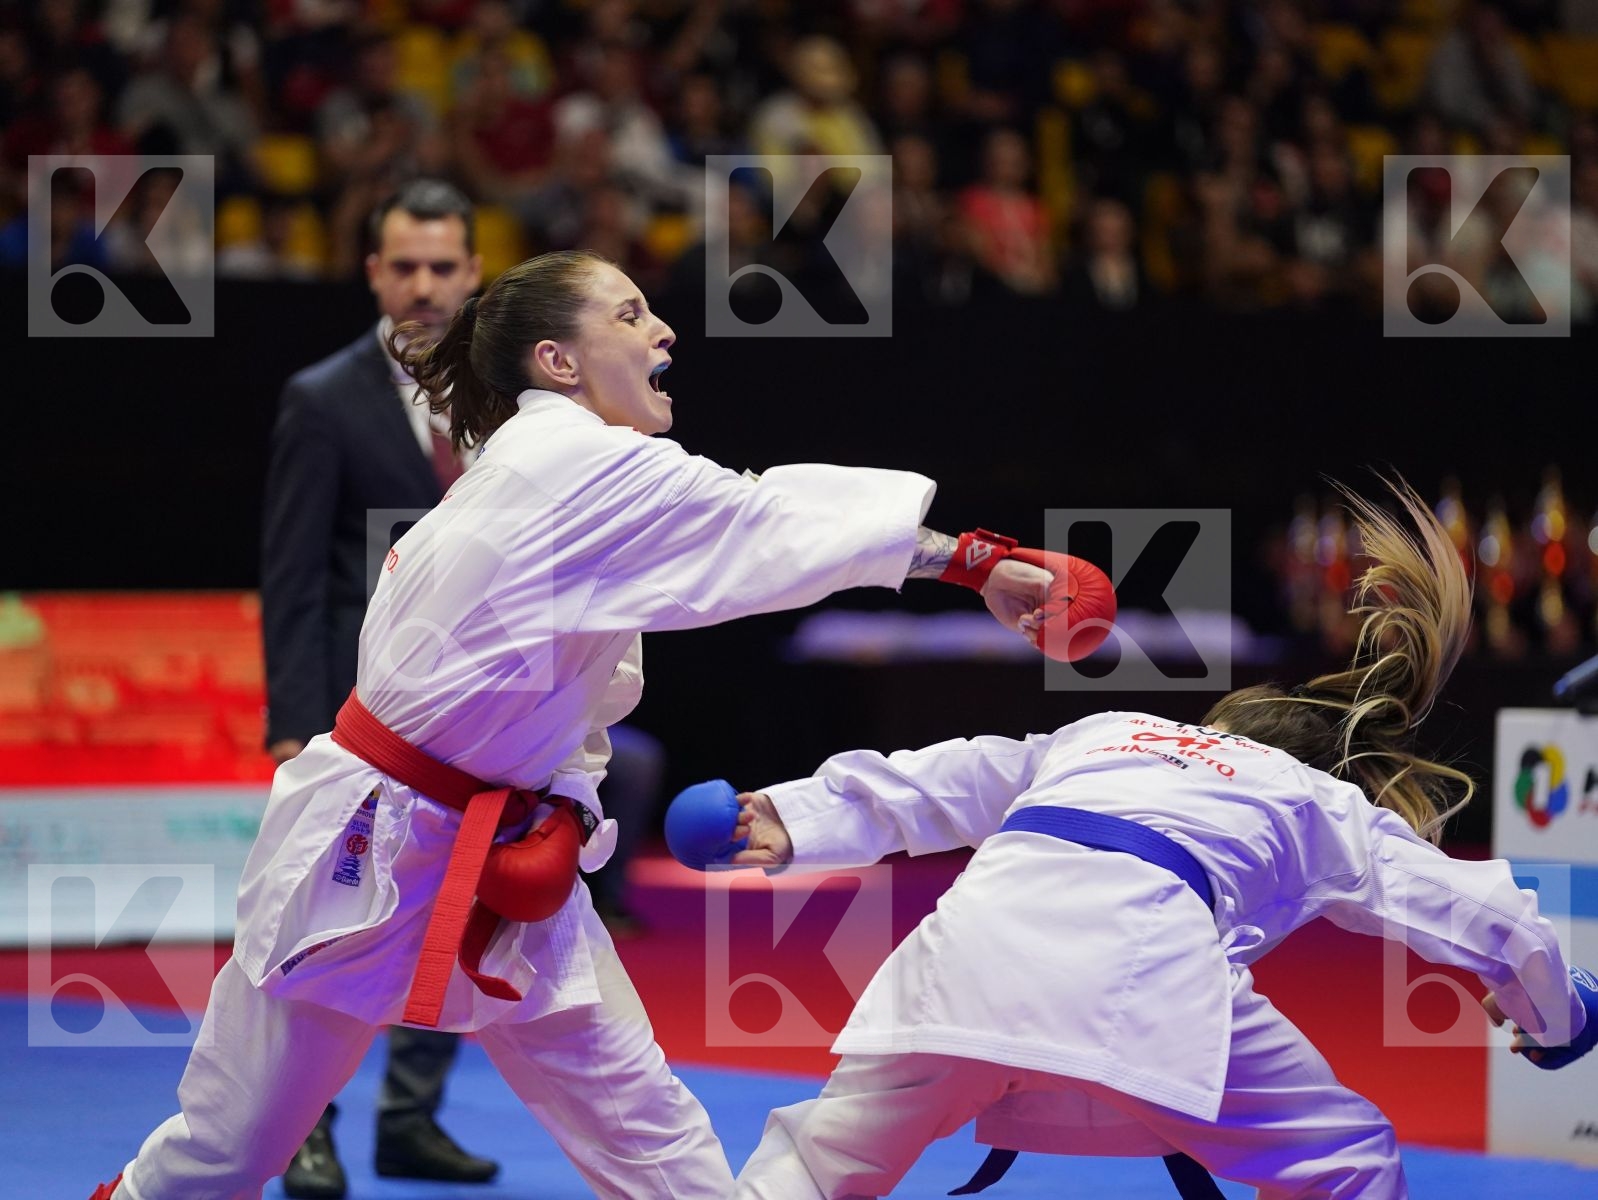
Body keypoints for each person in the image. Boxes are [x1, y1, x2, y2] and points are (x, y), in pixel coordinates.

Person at [88, 248, 1053, 1200]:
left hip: (501, 848)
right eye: (629, 315)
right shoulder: (581, 463)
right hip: (369, 846)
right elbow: (769, 517)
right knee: (231, 1148)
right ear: (557, 361)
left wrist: (563, 800)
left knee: (648, 1131)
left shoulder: (539, 461)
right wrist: (974, 559)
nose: (663, 330)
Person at [711, 478, 1596, 1199]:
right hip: (1147, 982)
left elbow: (950, 777)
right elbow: (1484, 916)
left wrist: (792, 816)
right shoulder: (1315, 795)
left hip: (963, 959)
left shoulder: (1107, 731)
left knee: (816, 1164)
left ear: (1224, 723)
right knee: (1347, 1160)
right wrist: (1558, 1015)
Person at [259, 178, 497, 1198]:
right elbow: (293, 574)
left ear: (475, 272)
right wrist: (293, 723)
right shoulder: (322, 397)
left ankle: (409, 1120)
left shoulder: (513, 399)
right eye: (404, 266)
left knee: (457, 913)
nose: (424, 286)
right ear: (371, 273)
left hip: (481, 712)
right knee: (327, 923)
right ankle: (301, 1130)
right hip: (355, 719)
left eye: (443, 266)